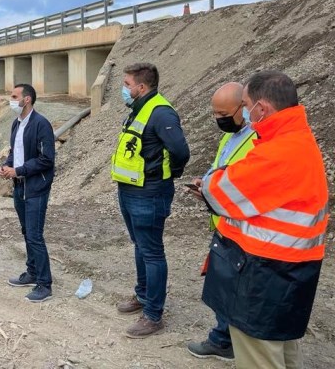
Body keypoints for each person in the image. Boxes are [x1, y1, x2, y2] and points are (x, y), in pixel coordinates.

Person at [201, 71, 329, 369]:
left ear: (262, 108)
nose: (244, 112)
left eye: (245, 104)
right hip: (291, 269)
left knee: (259, 356)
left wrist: (210, 180)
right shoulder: (297, 137)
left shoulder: (278, 153)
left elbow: (218, 192)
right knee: (281, 349)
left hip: (266, 273)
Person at [111, 62, 190, 338]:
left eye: (127, 84)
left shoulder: (161, 112)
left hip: (149, 192)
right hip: (130, 190)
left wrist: (168, 174)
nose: (124, 89)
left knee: (152, 251)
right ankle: (142, 295)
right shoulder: (139, 109)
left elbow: (180, 151)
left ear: (141, 87)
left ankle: (154, 314)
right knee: (140, 246)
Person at [186, 82, 256, 361]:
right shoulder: (232, 136)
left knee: (234, 289)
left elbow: (246, 186)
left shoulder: (257, 141)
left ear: (244, 108)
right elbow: (220, 167)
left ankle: (226, 340)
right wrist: (205, 182)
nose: (219, 120)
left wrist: (213, 191)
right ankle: (223, 338)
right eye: (215, 114)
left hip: (242, 228)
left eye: (223, 114)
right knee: (224, 286)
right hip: (223, 223)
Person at [0, 84, 56, 302]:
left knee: (35, 235)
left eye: (15, 96)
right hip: (20, 186)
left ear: (27, 100)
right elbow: (16, 152)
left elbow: (46, 159)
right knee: (27, 232)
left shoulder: (41, 124)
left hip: (36, 187)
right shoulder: (17, 123)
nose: (11, 100)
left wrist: (19, 170)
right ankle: (32, 273)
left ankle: (45, 284)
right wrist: (6, 166)